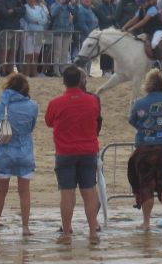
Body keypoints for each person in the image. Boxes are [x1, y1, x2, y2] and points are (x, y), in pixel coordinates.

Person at [45, 66, 100, 243]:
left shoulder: (56, 102)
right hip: (88, 150)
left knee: (67, 193)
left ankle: (67, 232)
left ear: (64, 81)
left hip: (65, 151)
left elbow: (49, 121)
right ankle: (92, 231)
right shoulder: (92, 101)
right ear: (80, 80)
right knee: (89, 191)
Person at [127, 69, 162, 231]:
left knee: (146, 185)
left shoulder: (140, 103)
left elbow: (132, 120)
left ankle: (146, 223)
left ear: (147, 84)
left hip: (146, 148)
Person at [0, 73, 37, 237]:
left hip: (4, 153)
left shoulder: (0, 106)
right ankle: (25, 227)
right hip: (24, 152)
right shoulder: (32, 106)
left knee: (1, 191)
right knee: (24, 191)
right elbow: (31, 127)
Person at [122, 0, 162, 70]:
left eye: (143, 2)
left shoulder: (153, 9)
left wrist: (132, 28)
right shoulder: (141, 9)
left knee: (154, 43)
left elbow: (144, 21)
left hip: (159, 30)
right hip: (149, 31)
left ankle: (159, 62)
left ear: (148, 1)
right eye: (140, 3)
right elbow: (134, 19)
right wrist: (124, 27)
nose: (142, 4)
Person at [0, 0, 25, 75]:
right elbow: (4, 13)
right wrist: (16, 12)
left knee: (14, 50)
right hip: (6, 28)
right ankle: (2, 70)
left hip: (16, 28)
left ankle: (10, 70)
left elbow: (23, 10)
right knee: (4, 50)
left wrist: (13, 10)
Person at [23, 0, 49, 77]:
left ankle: (34, 73)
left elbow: (45, 19)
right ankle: (26, 74)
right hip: (29, 33)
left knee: (36, 55)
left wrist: (37, 21)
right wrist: (38, 20)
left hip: (40, 33)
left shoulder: (40, 8)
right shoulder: (25, 7)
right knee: (28, 55)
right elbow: (29, 18)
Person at [50, 0, 74, 77]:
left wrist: (71, 4)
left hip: (67, 31)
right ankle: (56, 70)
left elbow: (74, 12)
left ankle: (63, 69)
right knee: (57, 52)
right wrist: (60, 3)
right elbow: (53, 14)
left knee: (64, 52)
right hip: (57, 31)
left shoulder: (68, 6)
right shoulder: (54, 5)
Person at [93, 0, 115, 76]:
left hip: (113, 31)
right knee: (105, 51)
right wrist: (113, 17)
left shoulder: (114, 6)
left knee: (113, 51)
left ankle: (112, 68)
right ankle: (105, 70)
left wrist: (112, 17)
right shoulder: (100, 7)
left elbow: (117, 17)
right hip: (104, 30)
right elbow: (104, 19)